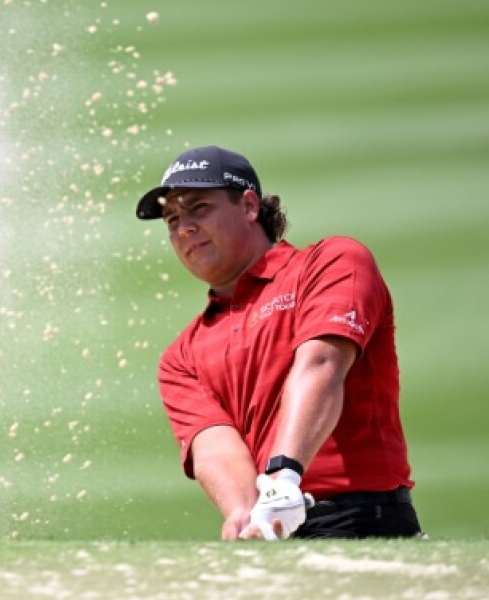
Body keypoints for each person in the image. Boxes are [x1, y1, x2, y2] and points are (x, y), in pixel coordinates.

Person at [135, 145, 423, 540]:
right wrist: (244, 513)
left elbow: (321, 366)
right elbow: (214, 447)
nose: (183, 227)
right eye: (171, 218)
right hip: (274, 526)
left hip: (360, 517)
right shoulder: (181, 356)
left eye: (199, 207)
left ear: (250, 206)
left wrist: (284, 478)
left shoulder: (331, 262)